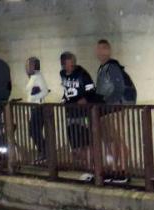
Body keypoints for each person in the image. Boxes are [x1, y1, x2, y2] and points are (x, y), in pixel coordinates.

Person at [93, 39, 135, 183]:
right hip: (108, 110)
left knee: (117, 139)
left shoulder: (111, 67)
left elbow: (118, 89)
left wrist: (106, 102)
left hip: (114, 109)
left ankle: (122, 171)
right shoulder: (103, 68)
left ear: (108, 50)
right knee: (111, 140)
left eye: (102, 49)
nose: (99, 52)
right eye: (98, 49)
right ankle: (115, 169)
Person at [58, 51, 97, 176]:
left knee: (85, 142)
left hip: (83, 114)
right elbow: (66, 91)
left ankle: (91, 168)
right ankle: (82, 167)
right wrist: (64, 99)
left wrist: (84, 100)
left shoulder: (82, 74)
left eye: (73, 63)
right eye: (69, 64)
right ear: (63, 65)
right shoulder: (63, 74)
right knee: (74, 144)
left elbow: (91, 91)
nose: (72, 66)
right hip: (70, 113)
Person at [25, 56, 52, 163]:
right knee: (34, 131)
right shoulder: (33, 77)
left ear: (34, 65)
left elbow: (45, 91)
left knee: (33, 131)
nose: (27, 67)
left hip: (38, 107)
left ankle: (45, 152)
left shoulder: (37, 76)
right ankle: (44, 152)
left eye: (29, 65)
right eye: (27, 65)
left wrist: (33, 97)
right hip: (34, 107)